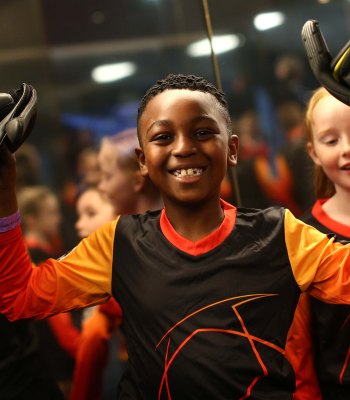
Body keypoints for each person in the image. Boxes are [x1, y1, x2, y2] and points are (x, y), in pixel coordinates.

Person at [1, 73, 350, 399]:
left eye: (201, 132)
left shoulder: (281, 235)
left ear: (231, 149)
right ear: (142, 159)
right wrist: (3, 187)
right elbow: (20, 297)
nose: (183, 147)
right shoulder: (119, 244)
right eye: (163, 136)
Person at [70, 129, 163, 400]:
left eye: (108, 176)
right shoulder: (125, 240)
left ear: (136, 180)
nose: (101, 185)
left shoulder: (147, 242)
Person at [285, 87, 350, 399]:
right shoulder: (302, 238)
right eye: (331, 140)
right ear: (313, 152)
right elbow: (299, 347)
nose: (347, 148)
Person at [18, 185, 81, 398]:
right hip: (56, 358)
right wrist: (81, 349)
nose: (58, 218)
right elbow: (58, 318)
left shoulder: (43, 251)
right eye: (51, 213)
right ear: (32, 219)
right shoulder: (35, 258)